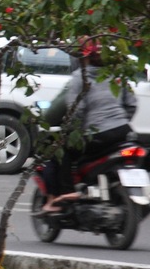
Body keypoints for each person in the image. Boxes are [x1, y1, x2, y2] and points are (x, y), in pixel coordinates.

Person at [38, 37, 136, 213]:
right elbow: (131, 104)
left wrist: (74, 131)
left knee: (61, 152)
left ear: (82, 58)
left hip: (98, 135)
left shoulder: (79, 78)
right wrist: (118, 120)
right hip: (124, 132)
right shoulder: (117, 75)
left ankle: (66, 194)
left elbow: (77, 111)